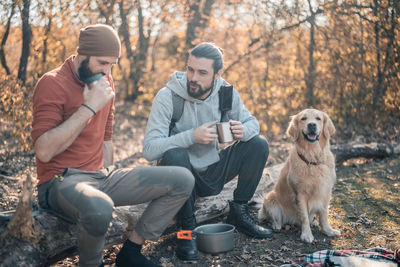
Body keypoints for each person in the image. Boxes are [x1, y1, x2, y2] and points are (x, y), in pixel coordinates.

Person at [32, 24, 195, 267]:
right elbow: (43, 151)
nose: (107, 71)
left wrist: (107, 182)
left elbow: (106, 140)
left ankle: (130, 251)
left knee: (183, 179)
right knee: (99, 207)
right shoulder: (52, 82)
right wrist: (88, 107)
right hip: (59, 181)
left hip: (99, 177)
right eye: (102, 63)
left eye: (112, 64)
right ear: (82, 55)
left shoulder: (106, 80)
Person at [143, 42, 273, 261]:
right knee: (176, 154)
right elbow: (149, 150)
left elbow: (252, 122)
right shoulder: (168, 96)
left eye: (202, 72)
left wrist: (243, 130)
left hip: (212, 172)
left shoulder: (225, 92)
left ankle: (239, 211)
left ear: (217, 74)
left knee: (258, 144)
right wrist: (191, 136)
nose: (193, 77)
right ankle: (186, 230)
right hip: (179, 177)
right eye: (190, 69)